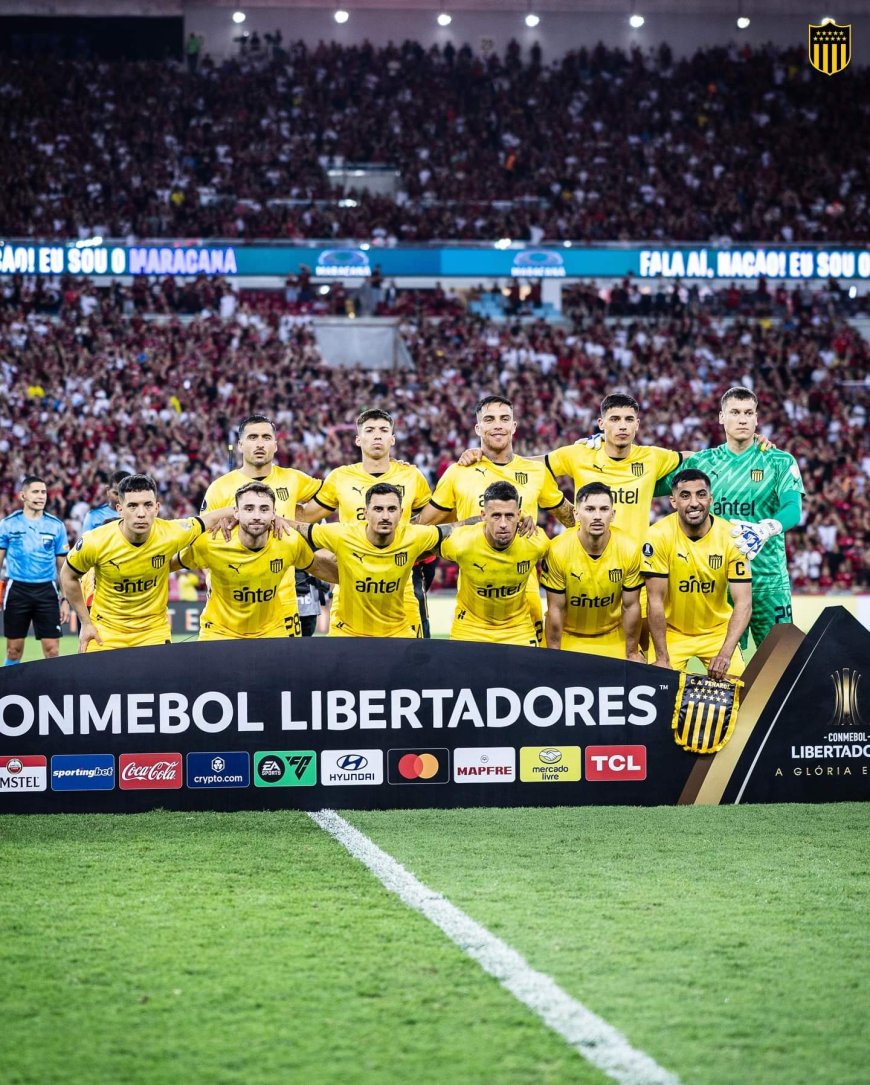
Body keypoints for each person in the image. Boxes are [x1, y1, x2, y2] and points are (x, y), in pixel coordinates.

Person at [419, 395, 572, 644]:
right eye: (489, 419)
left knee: (527, 678)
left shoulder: (535, 472)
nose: (498, 425)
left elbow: (571, 518)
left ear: (514, 426)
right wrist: (463, 525)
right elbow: (423, 527)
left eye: (504, 419)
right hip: (475, 596)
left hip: (525, 595)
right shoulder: (459, 472)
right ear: (478, 428)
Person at [670, 386, 805, 649]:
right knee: (728, 670)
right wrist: (601, 449)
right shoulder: (703, 462)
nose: (742, 419)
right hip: (722, 582)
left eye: (748, 413)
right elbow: (646, 482)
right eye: (734, 412)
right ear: (721, 417)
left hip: (769, 581)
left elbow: (793, 507)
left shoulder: (779, 460)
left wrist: (768, 528)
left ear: (757, 418)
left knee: (782, 664)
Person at [61, 473, 235, 653]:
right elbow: (67, 575)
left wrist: (243, 514)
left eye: (148, 505)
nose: (141, 513)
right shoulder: (95, 541)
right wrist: (86, 623)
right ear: (120, 509)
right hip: (106, 632)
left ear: (157, 508)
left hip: (153, 632)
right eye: (133, 506)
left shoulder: (173, 532)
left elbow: (210, 518)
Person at [297, 408, 432, 636]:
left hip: (400, 592)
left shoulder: (412, 476)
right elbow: (306, 517)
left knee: (408, 667)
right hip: (350, 592)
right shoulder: (340, 477)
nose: (377, 436)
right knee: (347, 668)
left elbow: (433, 519)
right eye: (369, 430)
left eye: (383, 430)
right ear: (358, 439)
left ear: (392, 439)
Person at [202, 414, 322, 630]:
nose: (259, 443)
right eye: (252, 437)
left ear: (275, 445)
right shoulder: (219, 487)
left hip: (282, 603)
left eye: (266, 437)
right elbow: (201, 540)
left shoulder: (294, 478)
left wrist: (391, 470)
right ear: (240, 445)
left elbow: (334, 495)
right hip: (232, 604)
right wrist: (208, 575)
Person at [175, 482, 336, 641]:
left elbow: (318, 567)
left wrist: (353, 577)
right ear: (236, 513)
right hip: (219, 631)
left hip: (271, 630)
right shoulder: (210, 543)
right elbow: (169, 564)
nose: (257, 516)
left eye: (264, 509)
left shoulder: (289, 541)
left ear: (274, 514)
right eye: (249, 509)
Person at [298, 483, 454, 639]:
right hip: (348, 629)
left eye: (391, 509)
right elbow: (298, 529)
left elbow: (456, 528)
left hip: (398, 628)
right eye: (378, 509)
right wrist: (275, 520)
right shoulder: (342, 534)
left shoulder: (414, 535)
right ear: (365, 513)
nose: (385, 516)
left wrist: (479, 523)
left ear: (401, 513)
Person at [642, 469, 752, 679]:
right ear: (673, 501)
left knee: (739, 692)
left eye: (701, 494)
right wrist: (663, 658)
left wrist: (725, 653)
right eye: (685, 496)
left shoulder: (733, 538)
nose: (694, 503)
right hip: (672, 632)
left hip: (717, 631)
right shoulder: (657, 536)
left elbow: (744, 602)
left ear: (710, 498)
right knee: (659, 689)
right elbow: (654, 600)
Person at [439, 481, 550, 646]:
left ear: (519, 515)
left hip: (517, 629)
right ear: (483, 515)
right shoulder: (461, 542)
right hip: (470, 627)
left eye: (509, 516)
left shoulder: (536, 541)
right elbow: (423, 546)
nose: (503, 524)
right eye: (496, 516)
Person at [542, 482, 644, 660]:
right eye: (589, 509)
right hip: (568, 635)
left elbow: (631, 606)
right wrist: (553, 657)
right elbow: (555, 610)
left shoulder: (630, 548)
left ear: (612, 515)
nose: (597, 516)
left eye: (604, 509)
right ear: (576, 514)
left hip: (612, 635)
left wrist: (632, 652)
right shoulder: (558, 549)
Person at [0, 475, 70, 664]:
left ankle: (54, 692)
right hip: (17, 590)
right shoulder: (8, 524)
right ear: (23, 496)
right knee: (13, 651)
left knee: (53, 651)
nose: (41, 496)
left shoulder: (56, 526)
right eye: (36, 492)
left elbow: (63, 567)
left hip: (47, 591)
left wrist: (64, 599)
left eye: (44, 492)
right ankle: (8, 691)